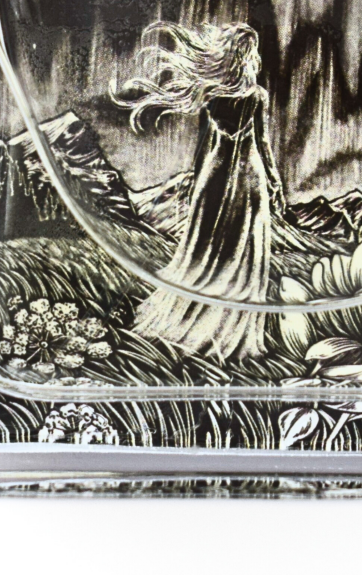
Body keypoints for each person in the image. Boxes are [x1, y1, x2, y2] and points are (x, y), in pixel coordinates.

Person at [113, 22, 282, 360]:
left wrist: (196, 181)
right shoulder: (256, 97)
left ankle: (196, 317)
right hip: (248, 175)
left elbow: (205, 147)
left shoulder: (213, 96)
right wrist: (274, 180)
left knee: (207, 242)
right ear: (246, 57)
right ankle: (230, 329)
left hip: (215, 175)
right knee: (244, 244)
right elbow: (262, 144)